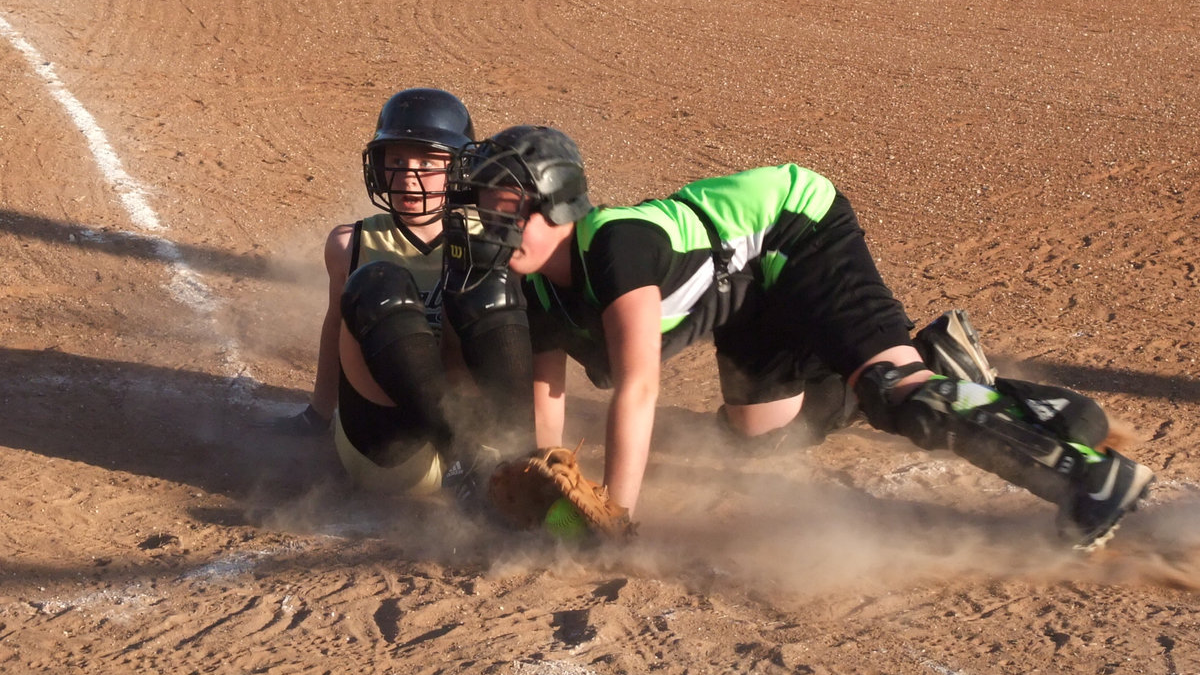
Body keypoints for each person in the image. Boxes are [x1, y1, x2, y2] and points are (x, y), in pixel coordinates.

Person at [442, 124, 1155, 549]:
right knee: (762, 436)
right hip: (746, 294)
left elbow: (640, 386)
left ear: (560, 203)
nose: (491, 224)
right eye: (485, 207)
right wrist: (545, 478)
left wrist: (616, 515)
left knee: (892, 394)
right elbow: (546, 397)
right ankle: (941, 365)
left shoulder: (614, 248)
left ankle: (1088, 476)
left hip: (796, 231)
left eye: (508, 207)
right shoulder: (531, 284)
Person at [274, 89, 532, 500]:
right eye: (396, 160)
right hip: (391, 449)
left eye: (428, 162)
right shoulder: (351, 243)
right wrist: (318, 415)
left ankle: (522, 461)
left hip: (482, 437)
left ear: (460, 169)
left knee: (486, 281)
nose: (409, 176)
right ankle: (464, 458)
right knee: (378, 284)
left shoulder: (498, 241)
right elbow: (334, 331)